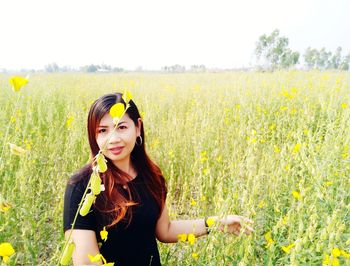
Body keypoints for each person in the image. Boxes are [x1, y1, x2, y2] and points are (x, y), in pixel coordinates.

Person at [63, 92, 254, 266]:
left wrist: (217, 222)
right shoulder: (82, 186)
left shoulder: (152, 176)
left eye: (121, 127)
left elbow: (166, 230)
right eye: (102, 131)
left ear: (138, 127)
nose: (113, 139)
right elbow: (87, 263)